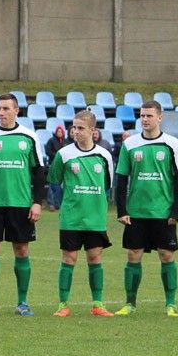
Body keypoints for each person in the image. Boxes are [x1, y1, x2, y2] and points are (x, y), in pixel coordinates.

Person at [0, 93, 45, 317]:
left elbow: (39, 173)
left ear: (16, 111)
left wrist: (37, 203)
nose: (1, 113)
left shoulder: (29, 137)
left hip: (20, 203)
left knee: (22, 249)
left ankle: (22, 302)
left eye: (5, 108)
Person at [113, 101, 178, 317]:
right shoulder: (130, 144)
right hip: (136, 212)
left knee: (167, 255)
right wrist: (121, 210)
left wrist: (175, 212)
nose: (145, 119)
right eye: (142, 115)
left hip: (162, 212)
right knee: (133, 255)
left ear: (160, 118)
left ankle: (171, 304)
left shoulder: (172, 144)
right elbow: (122, 179)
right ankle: (130, 303)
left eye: (149, 116)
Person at [47, 110, 114, 317]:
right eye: (74, 127)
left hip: (95, 217)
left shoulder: (104, 155)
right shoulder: (64, 154)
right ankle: (63, 304)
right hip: (71, 217)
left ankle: (98, 304)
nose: (75, 131)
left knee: (95, 258)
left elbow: (107, 185)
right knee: (69, 258)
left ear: (93, 131)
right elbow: (54, 180)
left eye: (81, 128)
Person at [44, 124, 66, 211]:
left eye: (61, 131)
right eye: (58, 131)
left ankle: (58, 203)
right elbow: (47, 151)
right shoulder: (51, 140)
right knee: (52, 184)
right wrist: (56, 156)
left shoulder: (65, 141)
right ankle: (51, 204)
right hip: (52, 165)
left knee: (60, 186)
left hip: (62, 166)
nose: (59, 133)